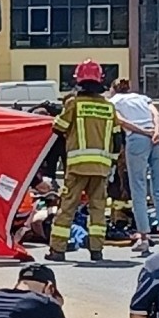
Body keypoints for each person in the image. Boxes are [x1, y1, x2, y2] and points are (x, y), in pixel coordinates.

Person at [46, 60, 123, 262]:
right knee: (98, 208)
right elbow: (117, 140)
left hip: (77, 166)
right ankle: (96, 250)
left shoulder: (74, 104)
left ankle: (57, 250)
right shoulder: (109, 108)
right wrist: (112, 163)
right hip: (101, 167)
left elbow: (58, 127)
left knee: (68, 207)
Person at [108, 79, 159, 253]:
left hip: (137, 140)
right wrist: (156, 131)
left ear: (113, 90)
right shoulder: (143, 98)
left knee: (138, 189)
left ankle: (144, 237)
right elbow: (156, 115)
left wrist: (143, 132)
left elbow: (122, 122)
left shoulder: (113, 102)